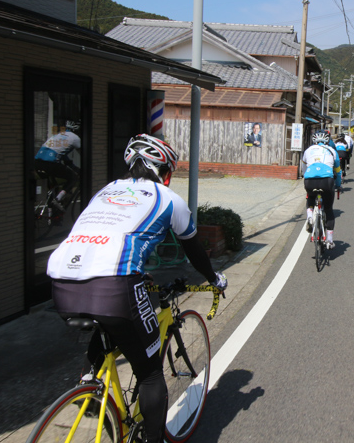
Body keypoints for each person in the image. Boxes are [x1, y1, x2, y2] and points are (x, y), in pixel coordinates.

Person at [47, 134, 228, 443]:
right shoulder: (168, 199)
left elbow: (106, 234)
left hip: (61, 280)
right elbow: (194, 251)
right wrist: (214, 278)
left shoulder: (105, 191)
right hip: (115, 283)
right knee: (149, 373)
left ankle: (90, 381)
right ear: (164, 171)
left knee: (110, 325)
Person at [302, 130, 342, 249]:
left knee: (310, 197)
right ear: (327, 140)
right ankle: (329, 240)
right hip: (327, 181)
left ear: (314, 140)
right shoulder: (332, 151)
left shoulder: (308, 150)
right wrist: (338, 185)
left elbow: (304, 168)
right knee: (329, 209)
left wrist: (307, 177)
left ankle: (309, 216)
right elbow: (338, 172)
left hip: (310, 180)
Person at [34, 121, 81, 211]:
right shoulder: (76, 138)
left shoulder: (59, 135)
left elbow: (63, 155)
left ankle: (52, 210)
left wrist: (71, 165)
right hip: (50, 164)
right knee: (73, 177)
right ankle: (58, 199)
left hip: (37, 162)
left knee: (55, 182)